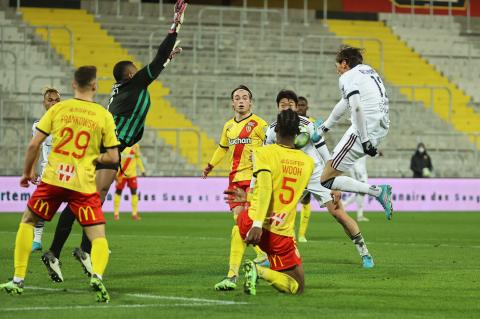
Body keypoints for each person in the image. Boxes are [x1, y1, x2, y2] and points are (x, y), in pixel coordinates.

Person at [39, 0, 188, 282]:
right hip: (107, 149)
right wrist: (175, 25)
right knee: (85, 199)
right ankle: (56, 252)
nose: (140, 69)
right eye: (135, 67)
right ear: (130, 74)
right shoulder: (134, 84)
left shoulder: (125, 88)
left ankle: (80, 250)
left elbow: (159, 64)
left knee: (93, 199)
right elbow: (157, 59)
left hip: (106, 148)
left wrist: (168, 61)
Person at [0, 66, 119, 303]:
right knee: (98, 236)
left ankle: (18, 279)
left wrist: (26, 173)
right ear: (95, 86)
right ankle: (97, 275)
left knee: (28, 221)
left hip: (54, 178)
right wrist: (92, 157)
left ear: (73, 85)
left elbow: (34, 145)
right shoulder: (103, 115)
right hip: (83, 183)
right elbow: (113, 158)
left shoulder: (60, 109)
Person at [266, 90, 375, 268]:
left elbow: (325, 154)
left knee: (339, 214)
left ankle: (365, 253)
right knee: (278, 218)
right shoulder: (271, 130)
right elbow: (268, 158)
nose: (286, 108)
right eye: (282, 105)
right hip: (290, 177)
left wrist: (334, 182)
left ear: (296, 107)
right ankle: (273, 255)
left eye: (290, 105)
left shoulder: (308, 125)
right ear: (277, 107)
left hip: (315, 174)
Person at [226, 109, 314, 295]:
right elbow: (284, 191)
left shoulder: (262, 153)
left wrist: (255, 218)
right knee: (297, 286)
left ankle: (232, 274)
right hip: (280, 233)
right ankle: (259, 272)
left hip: (253, 223)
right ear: (297, 132)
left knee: (238, 226)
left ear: (277, 129)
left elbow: (266, 187)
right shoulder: (308, 163)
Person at [202, 85, 269, 291]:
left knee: (246, 220)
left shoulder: (259, 124)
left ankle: (262, 257)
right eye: (237, 98)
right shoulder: (228, 126)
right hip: (234, 178)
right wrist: (211, 165)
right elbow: (222, 147)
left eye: (245, 97)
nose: (241, 101)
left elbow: (271, 146)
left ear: (251, 102)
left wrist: (259, 155)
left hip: (253, 178)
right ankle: (263, 256)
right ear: (232, 103)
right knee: (239, 221)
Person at [317, 46, 393, 220]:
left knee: (326, 179)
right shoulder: (368, 71)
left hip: (363, 128)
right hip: (381, 126)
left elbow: (357, 107)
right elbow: (345, 103)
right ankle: (377, 192)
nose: (337, 69)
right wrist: (324, 128)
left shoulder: (347, 76)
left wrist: (365, 139)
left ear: (344, 63)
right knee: (329, 176)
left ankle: (378, 191)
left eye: (337, 65)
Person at [31, 88, 61, 252]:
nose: (54, 103)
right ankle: (37, 240)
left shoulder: (69, 122)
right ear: (44, 103)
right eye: (50, 100)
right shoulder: (38, 125)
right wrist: (32, 169)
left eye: (57, 100)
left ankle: (93, 242)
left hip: (69, 172)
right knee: (39, 207)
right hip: (47, 173)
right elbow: (36, 147)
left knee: (84, 207)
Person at [295, 96, 315, 242]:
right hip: (292, 165)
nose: (301, 107)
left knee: (306, 200)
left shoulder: (312, 122)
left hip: (308, 166)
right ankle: (286, 230)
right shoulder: (290, 122)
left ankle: (301, 234)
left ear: (307, 107)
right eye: (298, 105)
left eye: (303, 105)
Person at [113, 143, 146, 220]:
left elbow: (138, 158)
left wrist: (142, 170)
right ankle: (116, 214)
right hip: (121, 174)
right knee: (118, 192)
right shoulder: (120, 144)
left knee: (134, 192)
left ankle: (134, 214)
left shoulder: (135, 145)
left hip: (132, 174)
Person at [342, 156, 369, 222]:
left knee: (359, 193)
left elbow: (370, 153)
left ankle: (343, 205)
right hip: (359, 176)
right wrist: (360, 179)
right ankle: (359, 216)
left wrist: (377, 154)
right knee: (361, 192)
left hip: (362, 174)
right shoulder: (356, 155)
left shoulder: (362, 152)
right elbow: (355, 167)